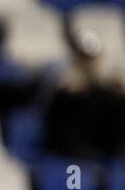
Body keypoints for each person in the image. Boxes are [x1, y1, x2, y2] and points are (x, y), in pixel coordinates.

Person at [44, 28, 125, 158]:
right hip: (71, 140)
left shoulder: (109, 75)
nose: (89, 61)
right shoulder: (63, 74)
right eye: (85, 57)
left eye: (92, 57)